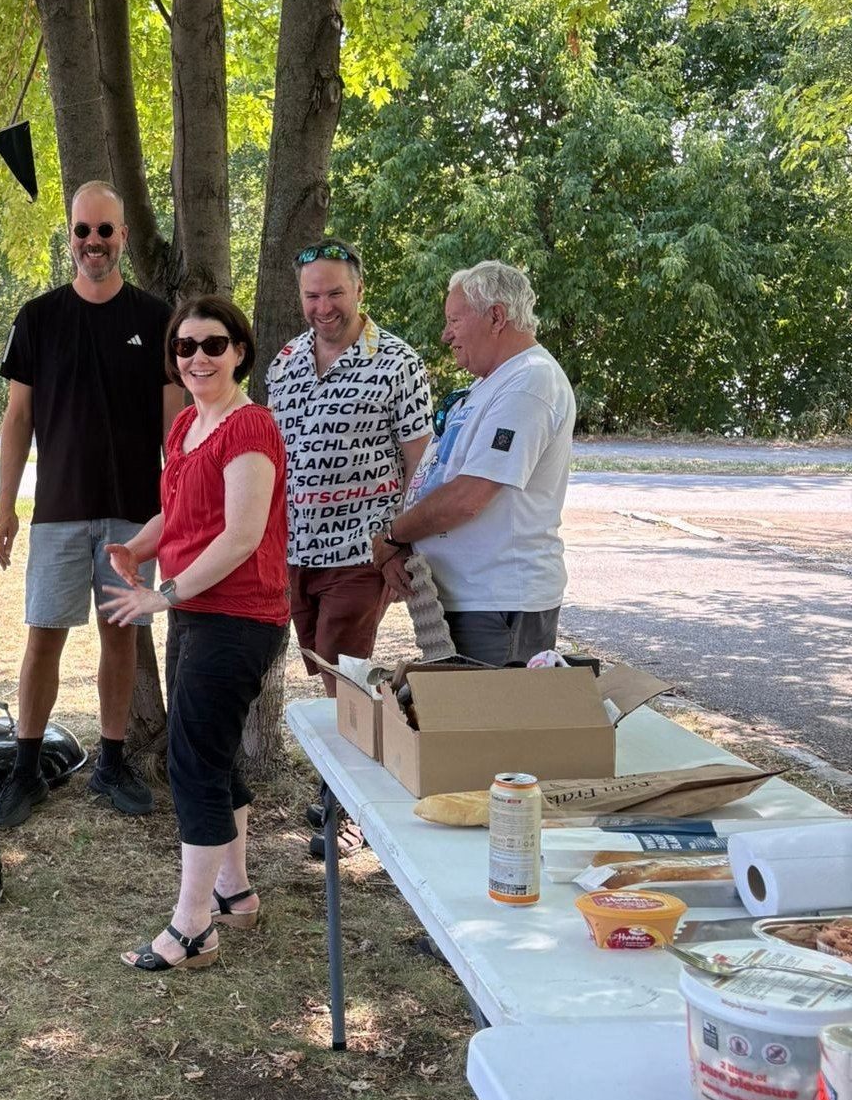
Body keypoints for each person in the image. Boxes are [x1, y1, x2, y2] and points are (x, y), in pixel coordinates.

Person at [102, 295, 289, 971]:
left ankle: (192, 926)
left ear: (239, 350)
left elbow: (240, 535)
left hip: (239, 616)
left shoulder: (251, 427)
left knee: (190, 764)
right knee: (208, 752)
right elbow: (181, 512)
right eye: (184, 346)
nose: (197, 357)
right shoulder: (185, 424)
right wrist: (138, 544)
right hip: (196, 613)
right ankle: (234, 890)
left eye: (213, 344)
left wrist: (163, 592)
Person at [0, 181, 184, 829]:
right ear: (68, 236)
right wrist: (4, 507)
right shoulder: (37, 318)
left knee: (120, 637)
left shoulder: (155, 319)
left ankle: (111, 762)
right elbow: (17, 418)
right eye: (82, 231)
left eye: (105, 230)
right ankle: (25, 767)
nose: (93, 242)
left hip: (134, 510)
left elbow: (174, 423)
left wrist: (180, 506)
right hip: (59, 510)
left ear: (123, 236)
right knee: (43, 634)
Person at [371, 260, 576, 666]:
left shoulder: (530, 381)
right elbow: (442, 478)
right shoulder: (493, 382)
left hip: (500, 601)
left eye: (454, 320)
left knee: (495, 726)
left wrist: (392, 536)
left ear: (496, 317)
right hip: (472, 598)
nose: (446, 334)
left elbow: (468, 496)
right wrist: (405, 542)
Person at [266, 237, 432, 691]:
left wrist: (405, 544)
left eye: (335, 293)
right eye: (312, 295)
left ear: (359, 290)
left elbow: (421, 462)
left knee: (342, 683)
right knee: (324, 674)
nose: (323, 306)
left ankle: (363, 752)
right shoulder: (285, 363)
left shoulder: (399, 363)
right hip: (294, 554)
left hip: (361, 552)